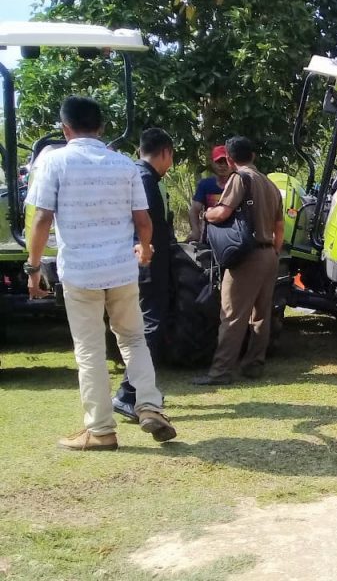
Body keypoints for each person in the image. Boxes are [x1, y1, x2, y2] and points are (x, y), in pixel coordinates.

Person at [24, 96, 176, 449]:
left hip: (80, 273)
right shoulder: (124, 165)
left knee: (90, 350)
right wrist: (146, 248)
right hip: (122, 270)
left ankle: (101, 430)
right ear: (102, 127)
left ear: (65, 129)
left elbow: (42, 219)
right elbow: (143, 221)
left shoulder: (55, 162)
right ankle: (150, 405)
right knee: (134, 339)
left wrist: (33, 269)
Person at [193, 136, 284, 385]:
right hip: (269, 255)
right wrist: (274, 252)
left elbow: (223, 212)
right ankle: (253, 365)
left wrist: (206, 213)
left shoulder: (240, 178)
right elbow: (279, 225)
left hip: (249, 255)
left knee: (231, 315)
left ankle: (220, 372)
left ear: (231, 160)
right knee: (261, 314)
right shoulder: (270, 184)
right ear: (253, 156)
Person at [111, 128, 176, 421]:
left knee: (141, 326)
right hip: (147, 264)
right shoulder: (145, 179)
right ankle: (128, 392)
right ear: (165, 153)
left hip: (136, 262)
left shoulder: (134, 175)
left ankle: (141, 388)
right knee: (149, 326)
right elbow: (146, 225)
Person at [186, 144, 232, 242]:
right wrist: (195, 230)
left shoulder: (238, 184)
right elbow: (194, 210)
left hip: (234, 235)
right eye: (219, 162)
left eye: (226, 162)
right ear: (212, 163)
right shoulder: (205, 185)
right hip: (211, 237)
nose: (223, 165)